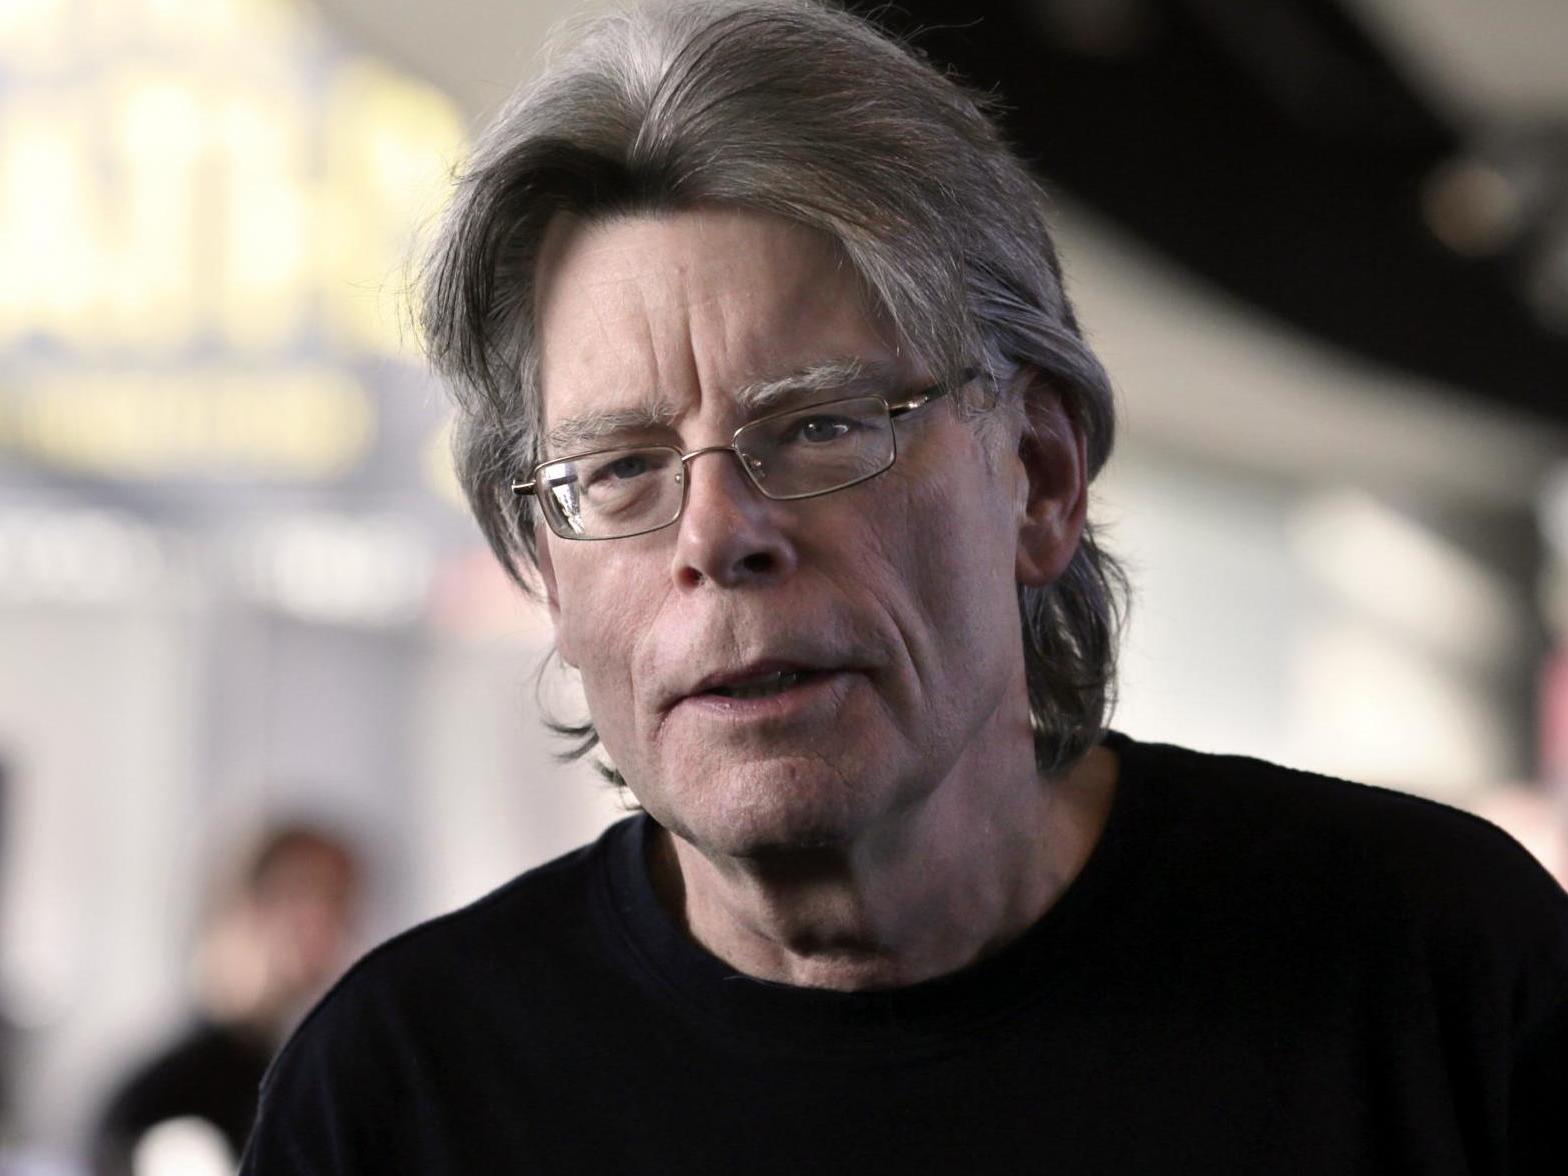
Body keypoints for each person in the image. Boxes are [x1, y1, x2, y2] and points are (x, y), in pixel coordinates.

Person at [242, 1, 1568, 1171]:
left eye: (819, 426)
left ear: (1038, 479)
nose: (718, 535)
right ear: (545, 569)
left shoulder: (1439, 972)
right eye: (623, 469)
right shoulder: (401, 1095)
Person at [94, 821, 361, 1174]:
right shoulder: (169, 1098)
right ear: (249, 905)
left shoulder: (303, 1071)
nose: (340, 926)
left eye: (345, 903)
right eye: (321, 899)